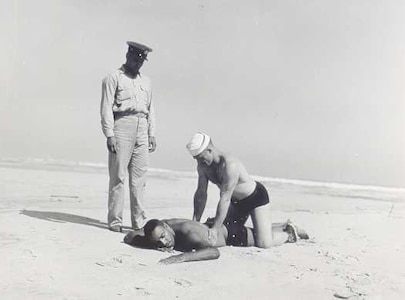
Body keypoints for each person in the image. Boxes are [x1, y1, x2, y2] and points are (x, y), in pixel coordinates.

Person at [186, 132, 292, 248]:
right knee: (229, 231)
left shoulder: (230, 165)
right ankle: (274, 226)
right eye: (196, 159)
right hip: (236, 203)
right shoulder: (203, 166)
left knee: (264, 244)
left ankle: (288, 232)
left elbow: (225, 198)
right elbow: (201, 194)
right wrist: (195, 221)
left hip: (255, 198)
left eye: (200, 158)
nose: (199, 162)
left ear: (209, 150)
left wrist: (215, 229)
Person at [100, 41, 157, 232]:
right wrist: (109, 134)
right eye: (135, 58)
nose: (138, 63)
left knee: (140, 179)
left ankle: (139, 223)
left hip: (142, 127)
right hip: (122, 126)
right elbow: (106, 108)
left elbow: (151, 109)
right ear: (127, 55)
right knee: (118, 176)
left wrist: (151, 133)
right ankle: (115, 221)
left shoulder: (147, 82)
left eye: (141, 60)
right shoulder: (113, 78)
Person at [123, 218, 307, 264]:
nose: (163, 243)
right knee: (257, 230)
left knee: (262, 239)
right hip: (214, 226)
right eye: (158, 242)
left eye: (163, 237)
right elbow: (130, 235)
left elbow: (214, 251)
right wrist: (152, 243)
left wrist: (182, 257)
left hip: (231, 235)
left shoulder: (187, 233)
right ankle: (283, 223)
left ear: (165, 226)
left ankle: (288, 232)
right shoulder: (160, 226)